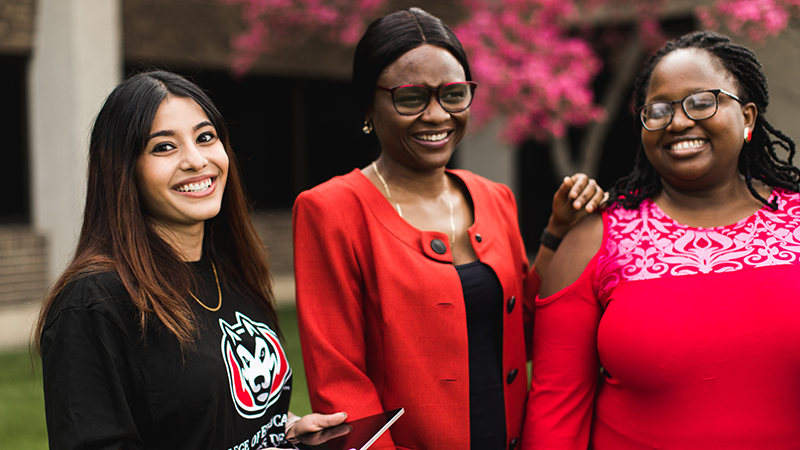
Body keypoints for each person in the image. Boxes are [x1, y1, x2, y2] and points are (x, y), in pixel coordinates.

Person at [292, 8, 605, 450]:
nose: (437, 116)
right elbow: (341, 382)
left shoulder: (494, 197)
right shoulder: (330, 210)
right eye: (411, 97)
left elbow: (523, 335)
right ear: (368, 103)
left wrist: (556, 231)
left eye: (453, 94)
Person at [35, 70, 346, 450]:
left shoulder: (230, 270)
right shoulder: (95, 302)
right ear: (123, 170)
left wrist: (286, 431)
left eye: (205, 138)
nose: (197, 160)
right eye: (164, 147)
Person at [522, 31, 800, 449]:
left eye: (702, 101)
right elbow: (555, 417)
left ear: (747, 117)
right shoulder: (596, 239)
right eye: (658, 110)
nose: (679, 121)